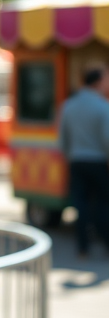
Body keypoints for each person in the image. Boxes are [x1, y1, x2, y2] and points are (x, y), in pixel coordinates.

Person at [58, 65, 109, 256]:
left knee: (81, 205)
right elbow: (107, 139)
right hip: (98, 162)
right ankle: (105, 241)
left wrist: (70, 156)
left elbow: (62, 139)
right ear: (98, 82)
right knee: (103, 205)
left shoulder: (68, 106)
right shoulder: (103, 106)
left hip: (76, 161)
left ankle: (83, 248)